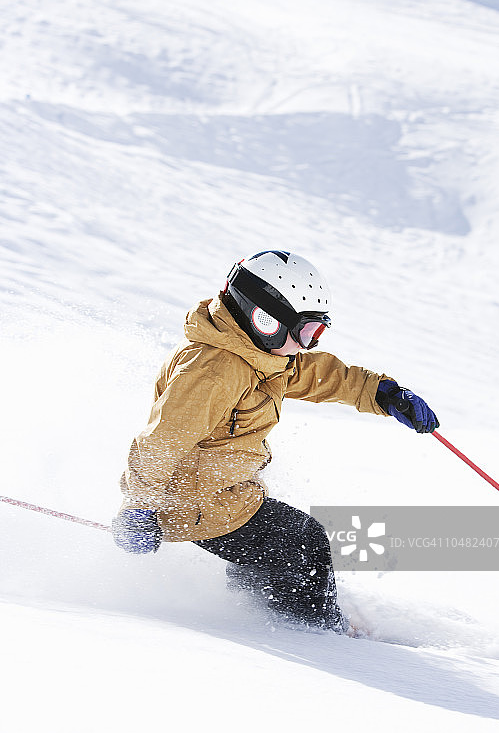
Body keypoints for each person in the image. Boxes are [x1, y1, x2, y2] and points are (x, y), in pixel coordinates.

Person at [112, 250, 438, 634]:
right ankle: (316, 635)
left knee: (274, 547)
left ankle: (256, 608)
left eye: (317, 333)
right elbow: (161, 443)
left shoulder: (261, 356)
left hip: (227, 494)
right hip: (193, 501)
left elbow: (319, 375)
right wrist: (139, 507)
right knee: (303, 542)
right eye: (305, 333)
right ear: (264, 320)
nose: (308, 345)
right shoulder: (214, 370)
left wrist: (381, 393)